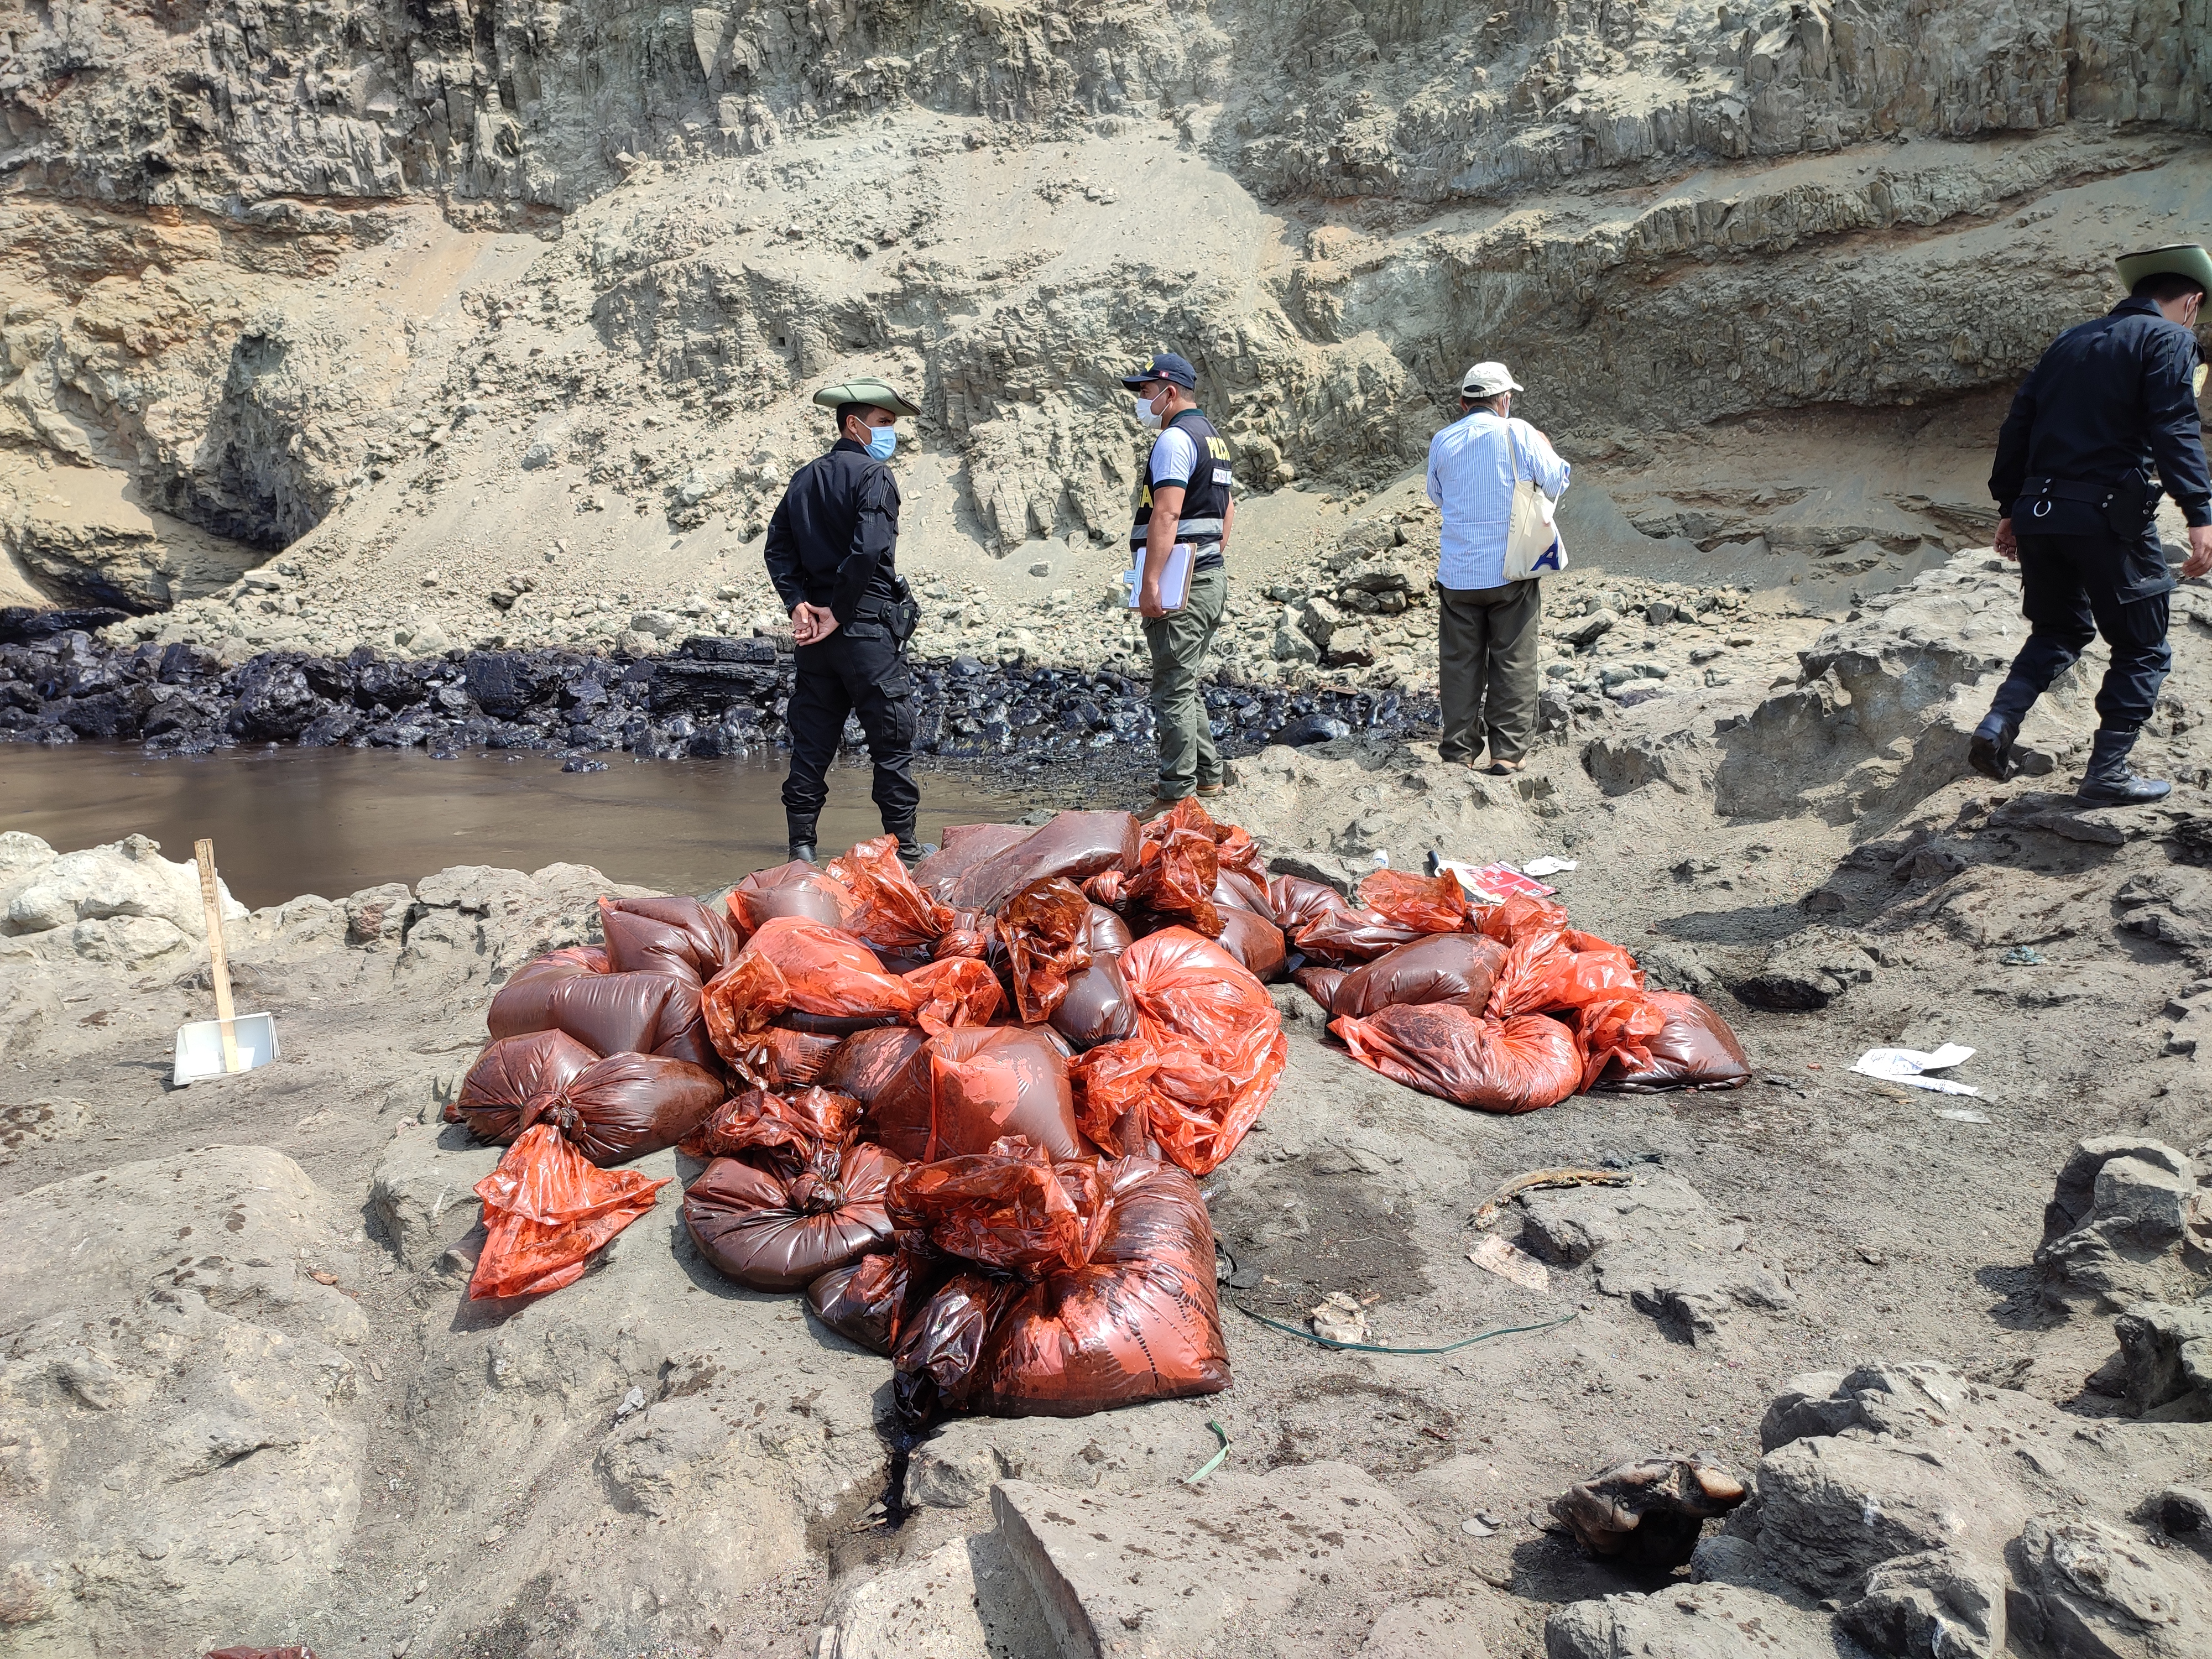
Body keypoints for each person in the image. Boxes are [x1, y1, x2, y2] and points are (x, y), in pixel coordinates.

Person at [1975, 243, 2212, 805]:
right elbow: (2174, 425)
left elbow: (2017, 427)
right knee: (2143, 648)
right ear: (2192, 302)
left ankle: (1996, 725)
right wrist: (2200, 513)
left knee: (2057, 631)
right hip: (2108, 516)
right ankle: (2105, 774)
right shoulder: (2170, 339)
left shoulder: (2069, 341)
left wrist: (2011, 508)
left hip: (2041, 511)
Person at [763, 377, 925, 865]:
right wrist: (840, 609)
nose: (890, 434)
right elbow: (870, 548)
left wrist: (798, 604)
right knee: (890, 738)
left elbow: (777, 548)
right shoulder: (874, 476)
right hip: (863, 629)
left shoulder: (805, 477)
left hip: (815, 633)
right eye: (883, 423)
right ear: (853, 425)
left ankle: (801, 848)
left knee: (813, 738)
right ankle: (906, 849)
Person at [1425, 360, 1570, 774]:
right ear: (1504, 400)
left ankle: (1458, 752)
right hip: (1512, 569)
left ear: (1463, 403)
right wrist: (1545, 443)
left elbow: (1437, 496)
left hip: (1458, 573)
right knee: (1513, 658)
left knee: (1459, 662)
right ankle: (1507, 752)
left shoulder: (1443, 441)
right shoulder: (1520, 432)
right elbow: (1558, 481)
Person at [1123, 351, 1238, 807]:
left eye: (1146, 392)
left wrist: (1152, 580)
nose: (1141, 400)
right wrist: (1209, 557)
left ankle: (1176, 798)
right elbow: (1228, 510)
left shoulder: (1174, 439)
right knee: (1184, 680)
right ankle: (1208, 778)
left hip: (1182, 585)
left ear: (1170, 393)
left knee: (1171, 686)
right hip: (1207, 576)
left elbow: (1167, 511)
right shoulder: (1214, 439)